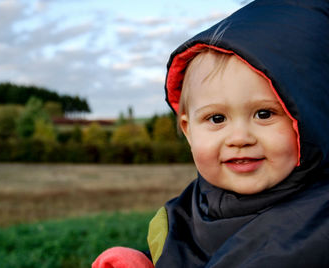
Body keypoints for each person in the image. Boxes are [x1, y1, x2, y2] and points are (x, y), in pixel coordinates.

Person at [93, 0, 329, 267]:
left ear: (312, 120)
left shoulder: (318, 224)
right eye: (217, 118)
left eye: (264, 114)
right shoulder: (182, 217)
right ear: (188, 130)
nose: (239, 138)